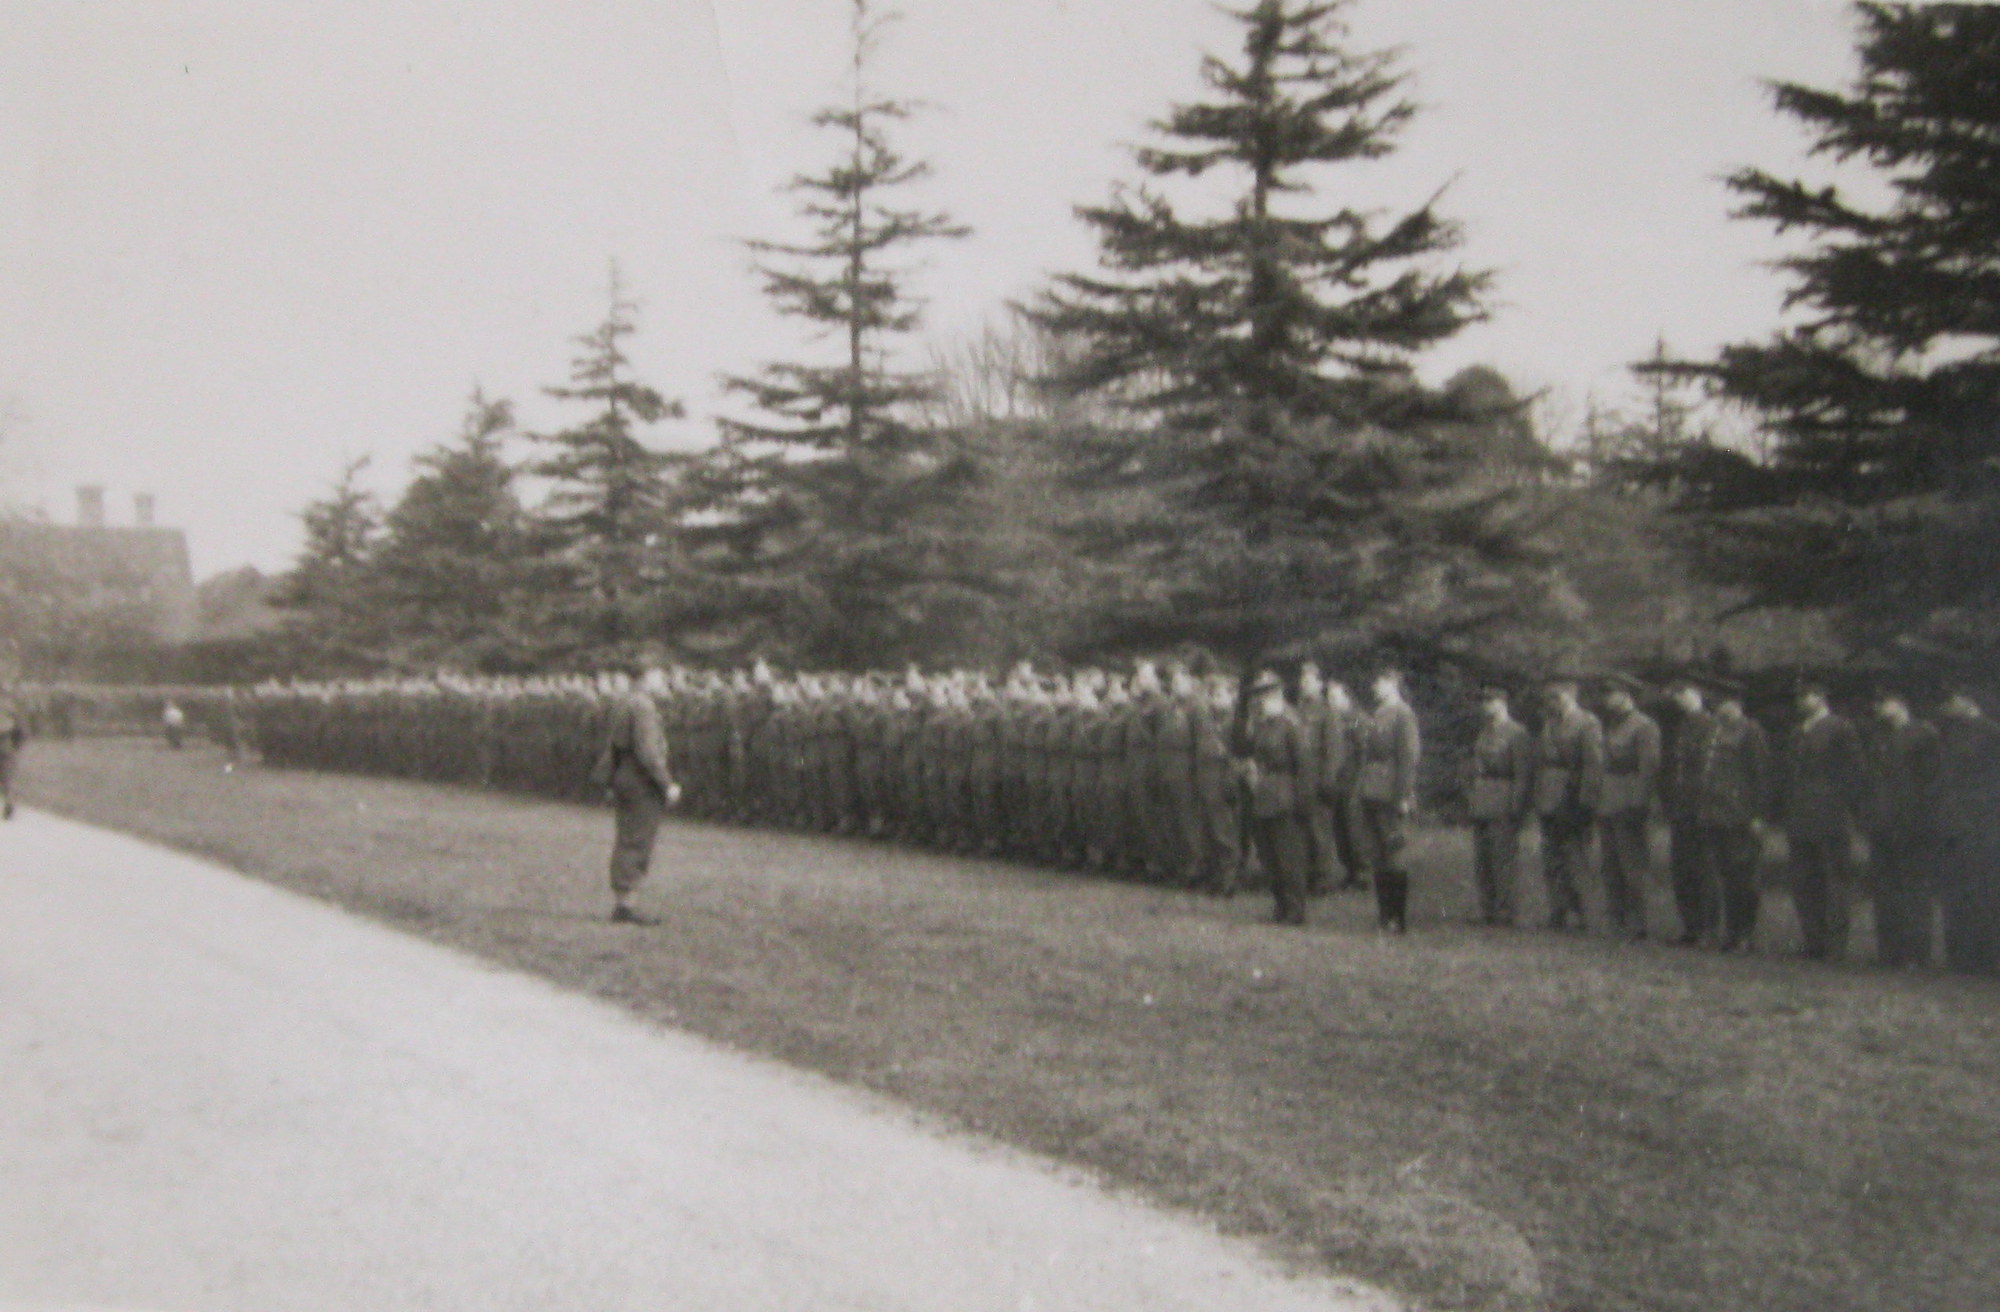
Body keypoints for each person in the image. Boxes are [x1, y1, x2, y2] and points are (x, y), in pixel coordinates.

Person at [1778, 681, 1866, 961]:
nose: (1801, 701)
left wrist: (1839, 802)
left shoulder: (1840, 728)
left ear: (1821, 697)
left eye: (1806, 696)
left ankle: (1834, 944)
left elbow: (1854, 771)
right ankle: (1813, 940)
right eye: (1799, 697)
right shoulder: (1798, 731)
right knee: (1805, 881)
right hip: (1800, 816)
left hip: (1830, 816)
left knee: (1834, 881)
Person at [591, 671, 682, 925]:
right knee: (637, 840)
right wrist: (667, 783)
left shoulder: (626, 703)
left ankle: (624, 901)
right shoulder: (643, 707)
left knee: (629, 837)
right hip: (641, 781)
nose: (665, 683)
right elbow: (648, 751)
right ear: (646, 681)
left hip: (625, 777)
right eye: (660, 679)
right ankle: (626, 905)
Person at [1864, 689, 1941, 968]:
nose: (1878, 708)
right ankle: (1890, 951)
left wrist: (1922, 819)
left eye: (1883, 702)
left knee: (1914, 888)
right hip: (1883, 822)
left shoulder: (1924, 734)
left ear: (1900, 703)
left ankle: (1916, 953)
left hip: (1912, 823)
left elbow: (1931, 781)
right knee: (1885, 888)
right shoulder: (1880, 736)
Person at [1693, 681, 1771, 952]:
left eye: (1723, 702)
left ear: (1736, 704)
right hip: (1713, 814)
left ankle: (1743, 934)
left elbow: (1761, 775)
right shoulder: (1714, 730)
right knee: (1717, 874)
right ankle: (1721, 931)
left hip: (1739, 815)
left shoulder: (1750, 731)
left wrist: (1758, 814)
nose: (1718, 707)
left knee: (1743, 877)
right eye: (1716, 702)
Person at [1935, 688, 2000, 976]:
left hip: (1981, 825)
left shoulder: (1991, 733)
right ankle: (1960, 955)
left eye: (1952, 701)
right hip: (1955, 823)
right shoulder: (1952, 733)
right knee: (1955, 890)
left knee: (1981, 890)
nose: (1948, 707)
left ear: (1968, 700)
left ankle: (1984, 957)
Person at [1533, 678, 1605, 932]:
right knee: (1552, 858)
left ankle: (1586, 915)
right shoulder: (1550, 723)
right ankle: (1558, 911)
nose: (1553, 702)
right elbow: (1541, 762)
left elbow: (1593, 764)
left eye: (1558, 697)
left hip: (1572, 796)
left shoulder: (1587, 723)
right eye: (1550, 698)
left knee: (1577, 857)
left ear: (1572, 696)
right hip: (1549, 798)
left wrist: (1586, 801)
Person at [1241, 670, 1312, 925]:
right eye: (1259, 695)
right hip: (1264, 795)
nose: (1261, 700)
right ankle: (1281, 905)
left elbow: (1304, 766)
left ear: (1279, 694)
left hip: (1285, 795)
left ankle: (1295, 909)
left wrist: (1302, 803)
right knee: (1269, 856)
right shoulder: (1262, 724)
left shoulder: (1292, 724)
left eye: (1267, 694)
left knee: (1288, 857)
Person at [1596, 674, 1662, 942]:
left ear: (1626, 696)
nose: (1606, 700)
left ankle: (1637, 922)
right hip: (1609, 800)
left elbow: (1649, 768)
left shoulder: (1644, 726)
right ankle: (1616, 919)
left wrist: (1640, 802)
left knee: (1632, 865)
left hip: (1630, 800)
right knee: (1610, 865)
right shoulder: (1613, 724)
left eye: (1611, 694)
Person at [1356, 666, 1421, 934]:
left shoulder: (1403, 714)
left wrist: (1403, 796)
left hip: (1391, 792)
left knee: (1394, 853)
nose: (1375, 687)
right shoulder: (1378, 713)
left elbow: (1408, 758)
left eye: (1379, 682)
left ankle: (1397, 917)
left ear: (1393, 682)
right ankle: (1385, 915)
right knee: (1378, 855)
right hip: (1372, 791)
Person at [1464, 684, 1533, 927]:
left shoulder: (1517, 733)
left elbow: (1522, 773)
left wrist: (1517, 805)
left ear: (1502, 704)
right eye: (1483, 701)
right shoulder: (1484, 732)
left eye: (1490, 701)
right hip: (1483, 799)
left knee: (1502, 858)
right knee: (1483, 858)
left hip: (1504, 797)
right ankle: (1487, 908)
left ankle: (1506, 910)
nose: (1485, 706)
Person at [1661, 677, 1719, 945]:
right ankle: (1691, 926)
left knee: (1703, 867)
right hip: (1682, 805)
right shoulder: (1682, 725)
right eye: (1676, 694)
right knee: (1682, 867)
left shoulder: (1710, 725)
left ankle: (1707, 928)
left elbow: (1708, 768)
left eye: (1683, 692)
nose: (1678, 698)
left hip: (1702, 805)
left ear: (1698, 694)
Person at [0, 679, 23, 820]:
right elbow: (19, 728)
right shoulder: (10, 704)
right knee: (6, 775)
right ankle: (9, 801)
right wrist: (17, 744)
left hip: (5, 740)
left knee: (6, 774)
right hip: (6, 741)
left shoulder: (9, 704)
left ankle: (9, 802)